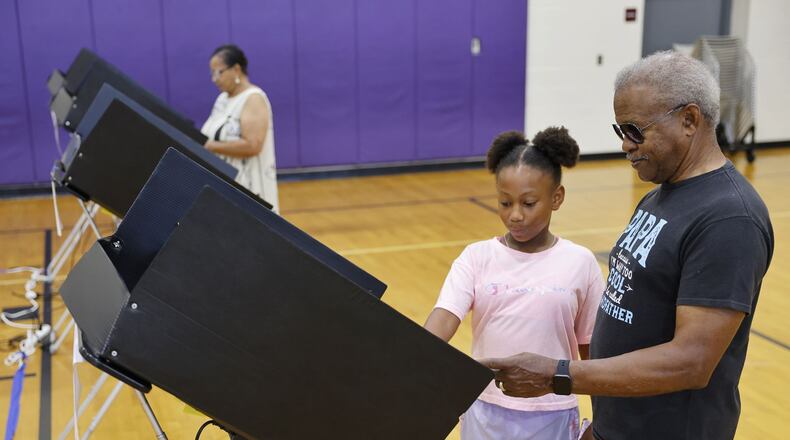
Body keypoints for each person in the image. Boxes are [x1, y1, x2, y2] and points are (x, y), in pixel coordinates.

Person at [479, 51, 774, 440]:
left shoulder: (729, 219)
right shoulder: (660, 195)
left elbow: (691, 361)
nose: (625, 145)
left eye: (635, 130)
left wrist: (557, 375)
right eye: (620, 132)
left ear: (689, 119)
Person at [424, 127, 605, 440]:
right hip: (484, 410)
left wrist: (603, 420)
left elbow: (594, 356)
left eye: (529, 203)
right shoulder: (476, 257)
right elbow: (442, 320)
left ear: (557, 197)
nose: (515, 216)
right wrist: (412, 358)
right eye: (505, 203)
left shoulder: (581, 262)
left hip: (554, 413)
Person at [201, 44, 280, 213]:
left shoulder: (253, 98)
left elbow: (253, 145)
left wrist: (209, 146)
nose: (214, 79)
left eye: (219, 72)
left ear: (236, 69)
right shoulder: (223, 98)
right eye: (212, 73)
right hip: (225, 185)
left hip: (250, 188)